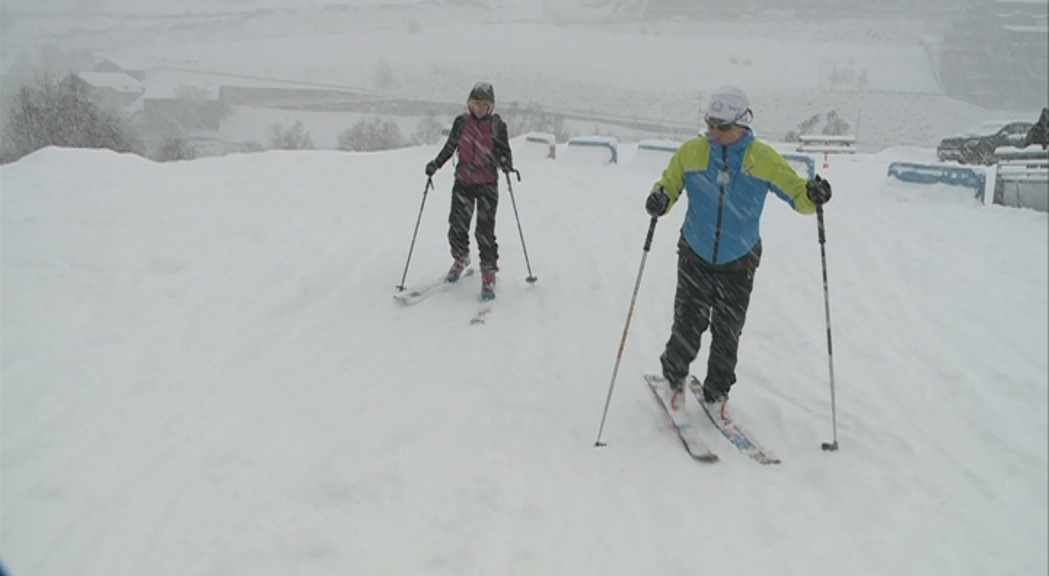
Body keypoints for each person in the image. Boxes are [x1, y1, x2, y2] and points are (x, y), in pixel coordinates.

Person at [645, 85, 832, 408]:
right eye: (710, 124)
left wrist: (812, 195)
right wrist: (659, 198)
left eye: (723, 126)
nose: (715, 132)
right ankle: (673, 379)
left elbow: (797, 195)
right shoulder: (691, 152)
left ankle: (718, 393)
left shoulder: (762, 159)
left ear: (743, 124)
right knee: (688, 324)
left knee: (727, 332)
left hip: (740, 258)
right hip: (695, 252)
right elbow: (669, 184)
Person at [425, 81, 513, 301]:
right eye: (476, 104)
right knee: (457, 226)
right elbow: (450, 147)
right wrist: (436, 164)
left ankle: (488, 273)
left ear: (491, 106)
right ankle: (461, 258)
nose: (479, 109)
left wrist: (504, 162)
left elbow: (505, 154)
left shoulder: (497, 126)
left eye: (484, 105)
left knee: (484, 231)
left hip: (487, 184)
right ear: (469, 104)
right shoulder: (461, 123)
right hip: (463, 181)